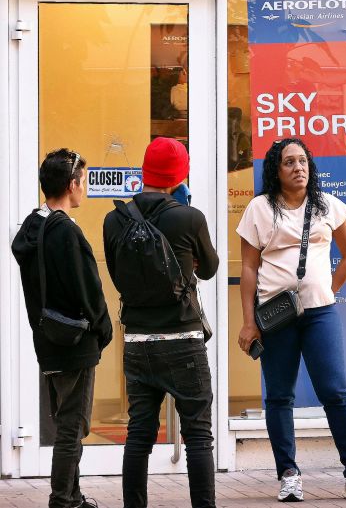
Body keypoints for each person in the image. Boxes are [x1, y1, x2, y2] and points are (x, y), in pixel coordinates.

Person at [236, 138, 346, 504]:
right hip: (276, 315)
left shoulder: (327, 205)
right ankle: (288, 474)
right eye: (289, 162)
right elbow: (249, 269)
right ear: (276, 169)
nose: (298, 168)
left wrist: (327, 291)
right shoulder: (259, 209)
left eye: (303, 161)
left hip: (320, 314)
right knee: (280, 396)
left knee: (335, 392)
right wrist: (248, 322)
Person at [103, 137, 219, 508]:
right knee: (198, 436)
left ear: (144, 170)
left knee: (138, 434)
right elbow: (211, 268)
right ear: (180, 175)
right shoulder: (189, 217)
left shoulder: (113, 219)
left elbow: (119, 276)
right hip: (183, 339)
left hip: (137, 341)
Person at [12, 149, 113, 508]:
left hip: (49, 337)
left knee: (65, 420)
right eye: (82, 181)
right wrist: (103, 328)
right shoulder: (66, 232)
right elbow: (87, 289)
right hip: (76, 340)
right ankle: (63, 500)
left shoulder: (33, 226)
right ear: (71, 185)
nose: (83, 188)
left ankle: (73, 495)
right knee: (72, 425)